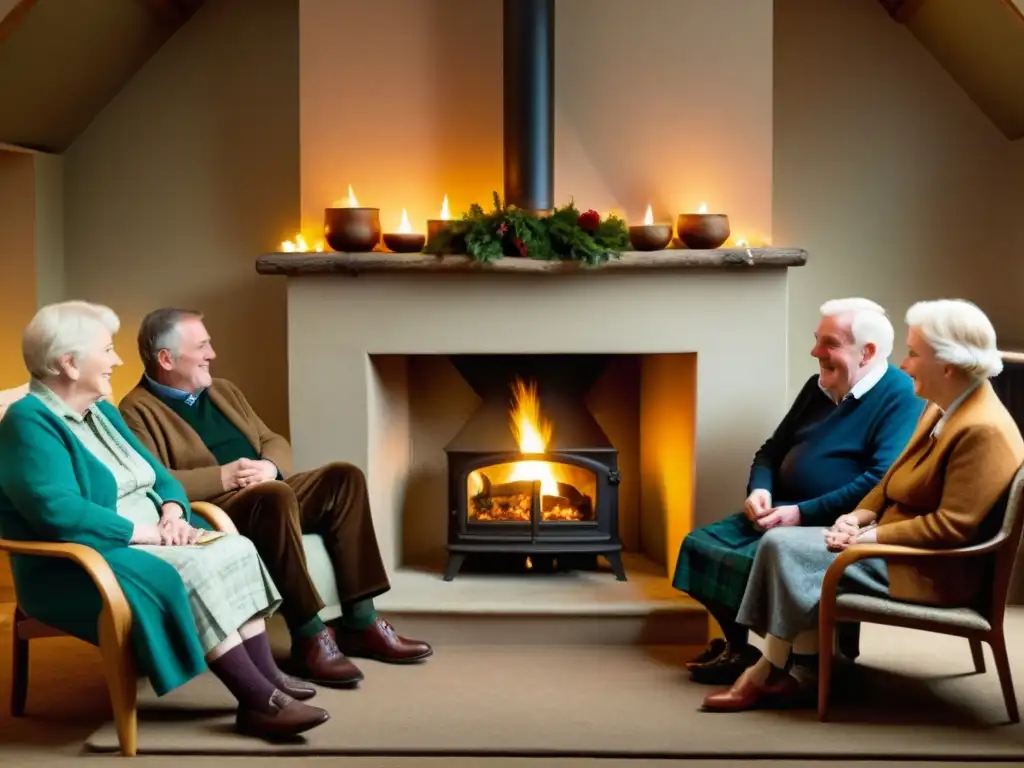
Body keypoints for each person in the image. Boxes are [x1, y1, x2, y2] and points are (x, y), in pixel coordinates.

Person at [0, 301, 330, 739]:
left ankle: (269, 680)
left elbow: (161, 477)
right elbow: (57, 511)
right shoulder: (29, 422)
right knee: (194, 568)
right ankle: (258, 701)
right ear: (69, 363)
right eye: (107, 349)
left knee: (236, 547)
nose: (118, 359)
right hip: (82, 560)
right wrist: (147, 532)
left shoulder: (102, 413)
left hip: (152, 536)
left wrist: (173, 512)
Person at [702, 298, 1024, 712]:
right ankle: (793, 672)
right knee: (785, 544)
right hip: (894, 547)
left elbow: (951, 529)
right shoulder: (943, 408)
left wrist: (869, 536)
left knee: (785, 547)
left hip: (930, 568)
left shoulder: (982, 430)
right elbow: (891, 478)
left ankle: (767, 670)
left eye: (913, 353)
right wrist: (855, 516)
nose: (903, 366)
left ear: (947, 365)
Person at [118, 308, 432, 688]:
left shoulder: (223, 389)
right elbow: (154, 482)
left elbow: (273, 440)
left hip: (267, 488)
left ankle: (361, 621)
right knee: (275, 496)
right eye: (202, 346)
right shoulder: (134, 411)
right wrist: (224, 475)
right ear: (166, 359)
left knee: (343, 478)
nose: (212, 354)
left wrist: (269, 466)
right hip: (218, 508)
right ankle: (309, 635)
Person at [674, 298, 924, 685]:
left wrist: (802, 513)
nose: (815, 352)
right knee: (699, 545)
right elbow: (771, 450)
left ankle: (794, 656)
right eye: (816, 340)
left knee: (758, 557)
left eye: (830, 343)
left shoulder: (900, 395)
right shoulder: (817, 386)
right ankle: (739, 646)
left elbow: (880, 478)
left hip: (832, 522)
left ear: (867, 352)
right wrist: (760, 489)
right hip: (782, 509)